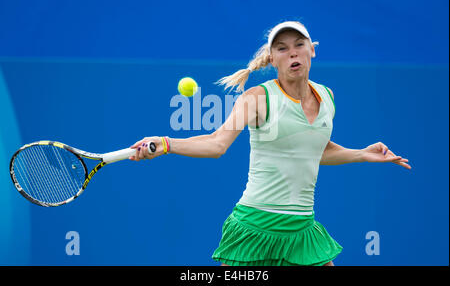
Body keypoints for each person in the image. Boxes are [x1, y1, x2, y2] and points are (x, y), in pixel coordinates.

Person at [129, 21, 411, 266]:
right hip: (255, 227)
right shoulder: (256, 98)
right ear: (272, 59)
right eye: (282, 48)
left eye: (299, 45)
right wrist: (166, 143)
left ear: (312, 49)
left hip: (302, 231)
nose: (292, 53)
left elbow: (315, 150)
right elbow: (216, 143)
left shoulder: (328, 97)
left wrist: (362, 154)